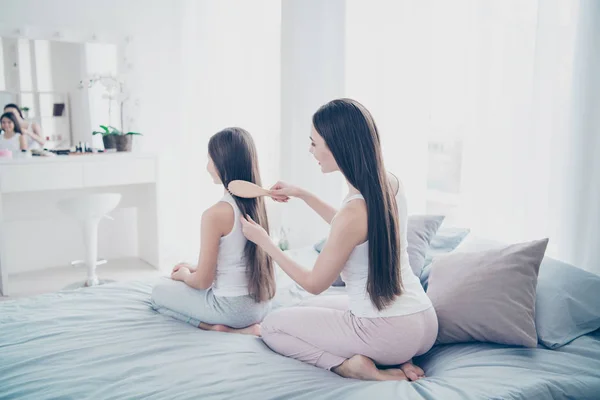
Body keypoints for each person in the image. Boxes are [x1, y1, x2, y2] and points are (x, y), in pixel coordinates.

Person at [240, 99, 438, 381]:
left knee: (273, 326)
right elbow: (354, 229)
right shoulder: (388, 183)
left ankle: (353, 368)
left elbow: (314, 284)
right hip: (424, 323)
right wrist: (303, 194)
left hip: (388, 332)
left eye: (314, 143)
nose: (311, 150)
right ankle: (401, 360)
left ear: (337, 146)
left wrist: (266, 242)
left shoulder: (352, 213)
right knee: (303, 310)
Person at [151, 127, 275, 335]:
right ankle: (239, 326)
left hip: (231, 310)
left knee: (158, 293)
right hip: (262, 305)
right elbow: (236, 258)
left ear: (222, 163)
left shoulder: (215, 214)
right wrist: (194, 267)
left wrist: (183, 276)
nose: (207, 166)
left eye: (210, 158)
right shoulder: (258, 204)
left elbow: (202, 282)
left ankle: (219, 328)